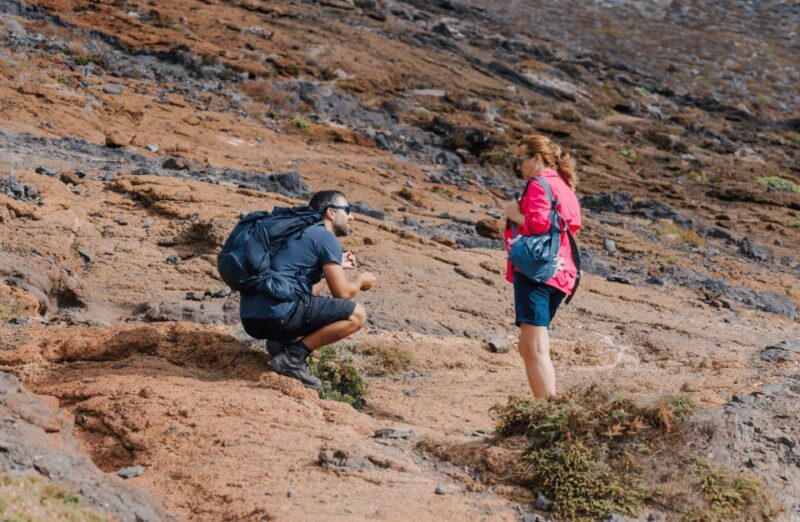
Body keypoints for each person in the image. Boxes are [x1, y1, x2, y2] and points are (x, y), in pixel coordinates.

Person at [239, 190, 377, 389]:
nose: (351, 216)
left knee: (303, 303)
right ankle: (293, 358)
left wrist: (330, 267)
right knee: (357, 315)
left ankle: (281, 344)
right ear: (331, 212)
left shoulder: (297, 233)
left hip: (252, 319)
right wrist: (360, 281)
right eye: (347, 210)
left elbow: (308, 293)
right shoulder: (325, 237)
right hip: (277, 314)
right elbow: (343, 294)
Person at [505, 135, 581, 398]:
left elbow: (538, 224)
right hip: (560, 273)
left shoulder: (538, 183)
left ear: (536, 158)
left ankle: (546, 412)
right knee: (529, 346)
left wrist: (514, 214)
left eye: (521, 158)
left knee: (535, 348)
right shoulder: (563, 186)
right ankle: (543, 407)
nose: (519, 165)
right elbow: (573, 225)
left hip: (537, 273)